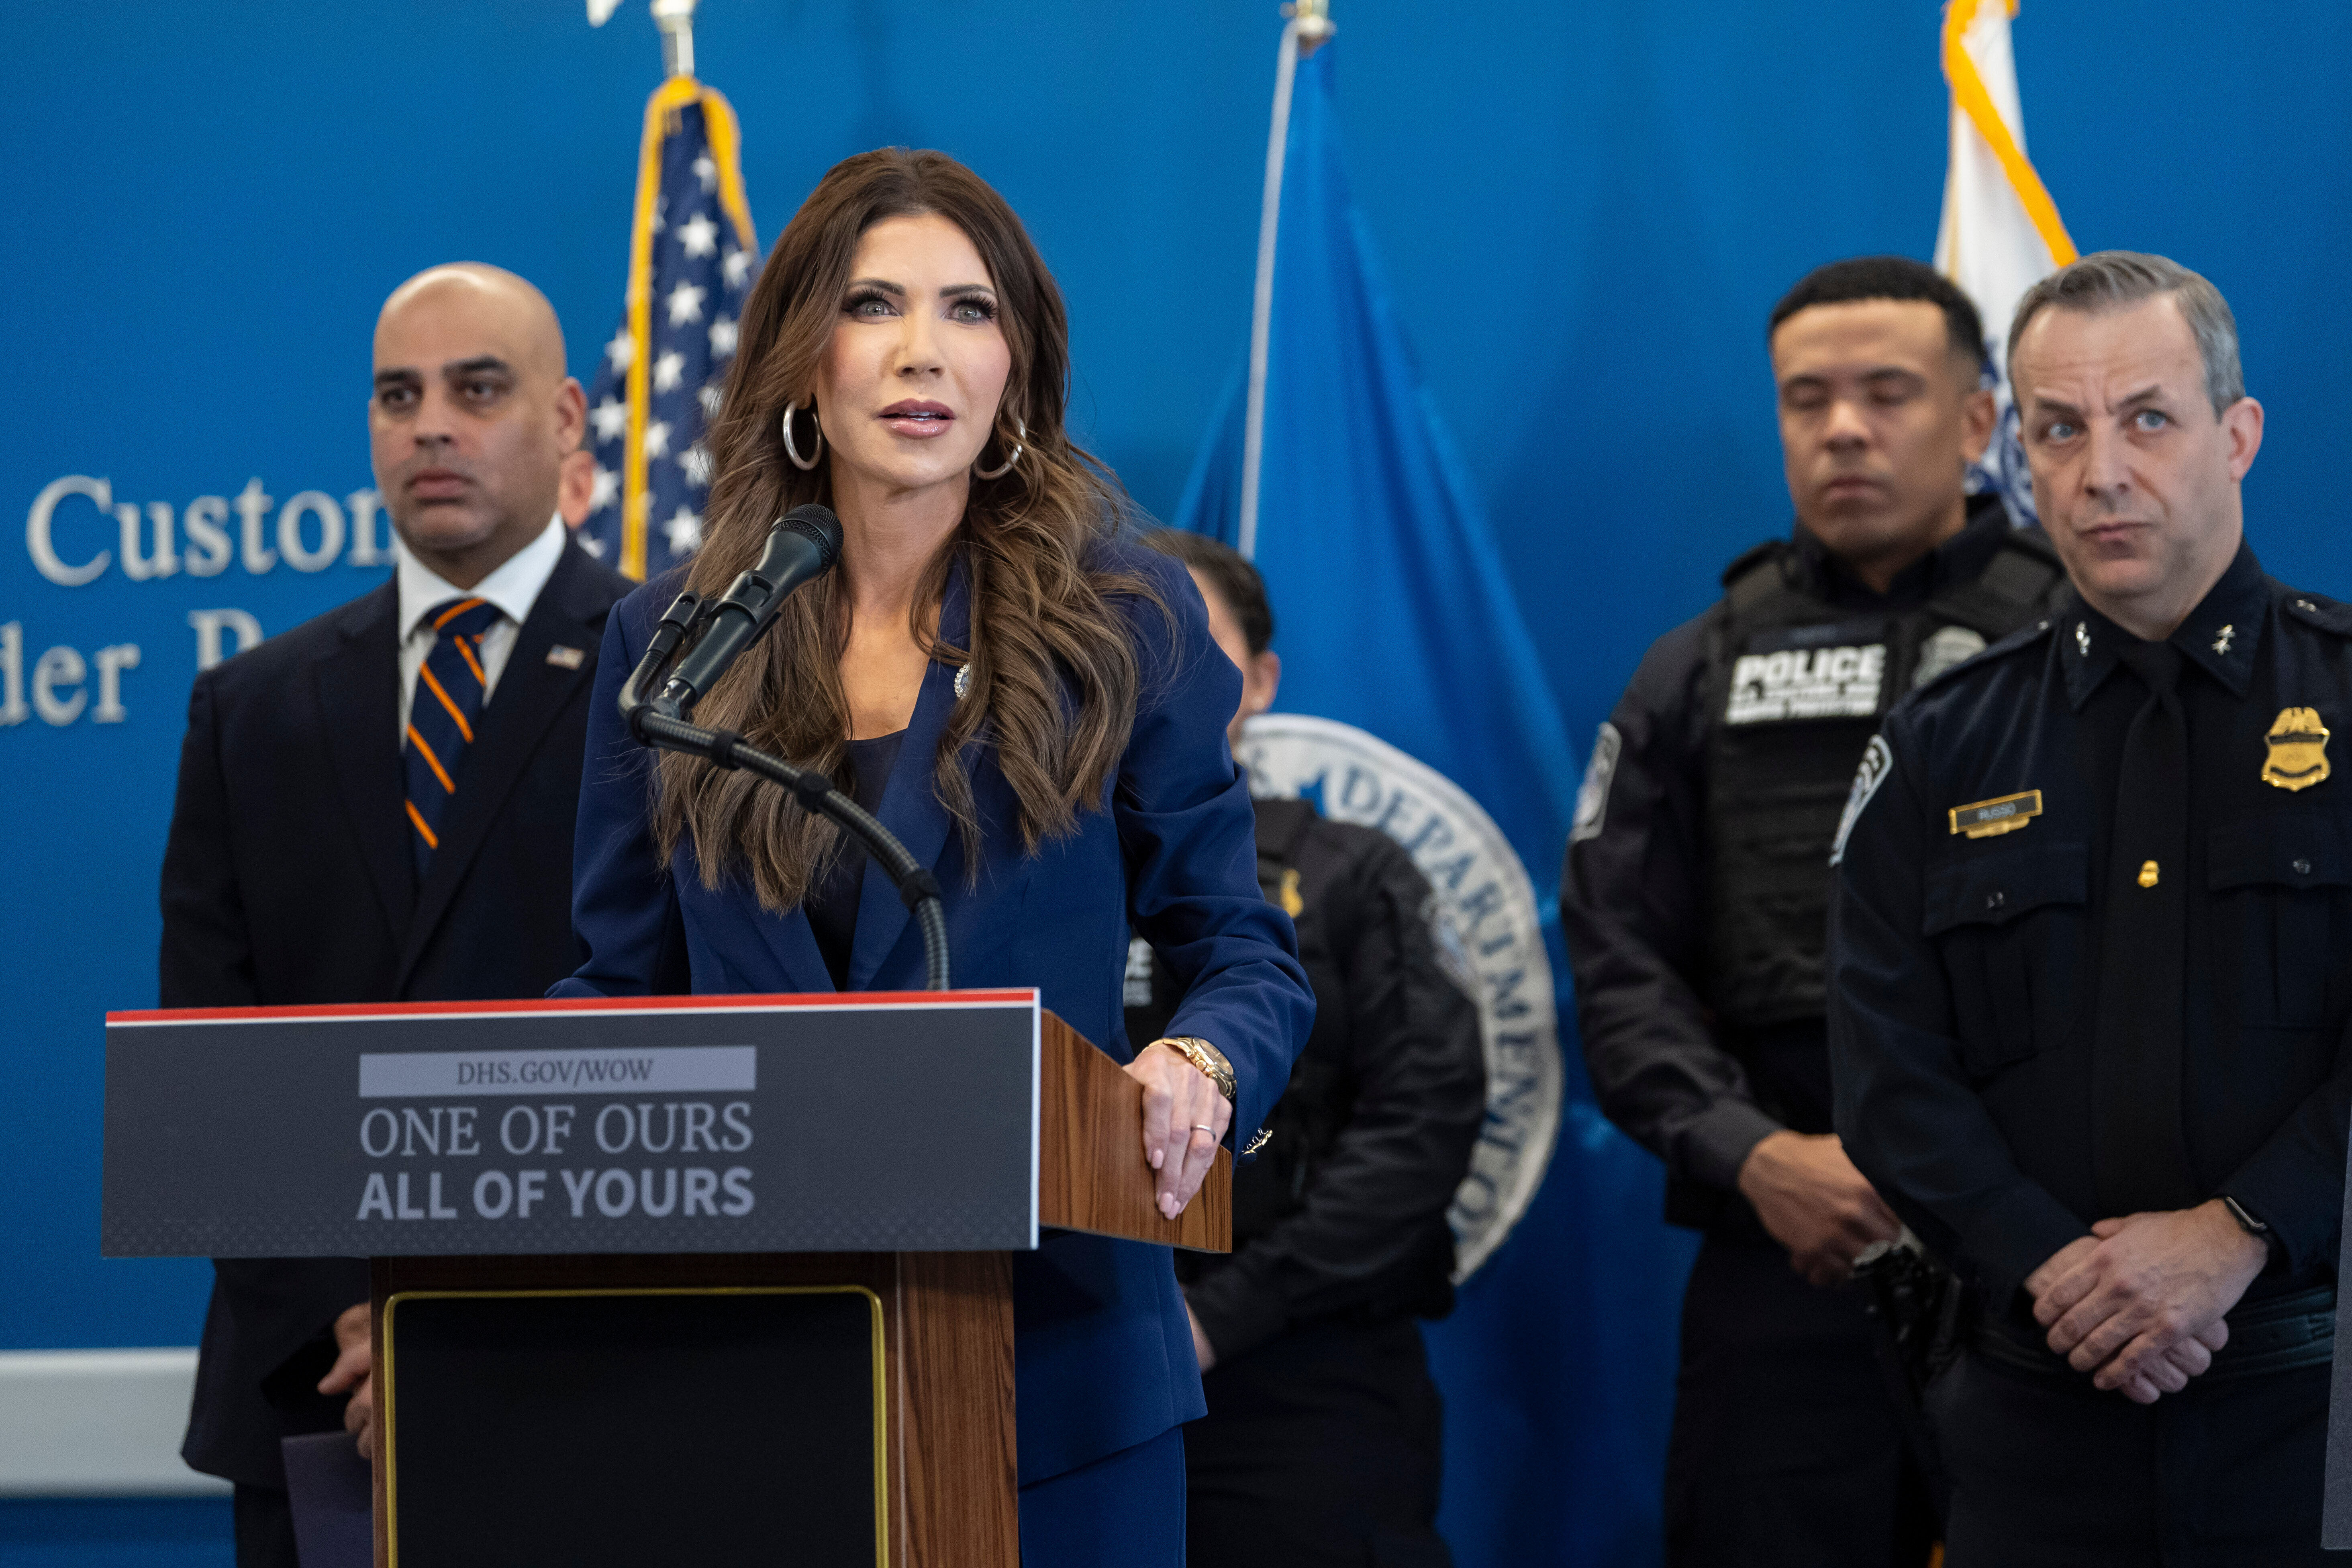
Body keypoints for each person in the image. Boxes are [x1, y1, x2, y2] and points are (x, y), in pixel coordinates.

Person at [553, 148, 1314, 1566]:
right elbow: (622, 983)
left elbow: (1240, 950)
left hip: (1059, 1360)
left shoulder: (1127, 620)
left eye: (969, 310)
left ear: (1015, 369)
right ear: (803, 357)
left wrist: (1202, 1062)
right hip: (757, 1356)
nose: (922, 351)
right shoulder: (675, 638)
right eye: (873, 305)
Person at [1827, 251, 2344, 1564]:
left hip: (2320, 1408)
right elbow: (1887, 1073)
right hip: (2036, 1419)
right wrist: (2055, 1268)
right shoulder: (1942, 743)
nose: (2102, 471)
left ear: (2239, 436)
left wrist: (2242, 1232)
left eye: (2148, 419)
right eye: (2060, 429)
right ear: (2020, 453)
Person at [1562, 256, 2067, 1564]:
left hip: (2052, 1258)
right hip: (1785, 1250)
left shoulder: (2082, 643)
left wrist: (1980, 1195)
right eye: (1808, 399)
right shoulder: (1696, 670)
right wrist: (1753, 1155)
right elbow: (1619, 961)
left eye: (1887, 394)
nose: (1844, 428)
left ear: (1978, 419)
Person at [158, 263, 631, 1565]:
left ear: (567, 419)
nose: (431, 427)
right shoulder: (251, 709)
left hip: (600, 1369)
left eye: (476, 390)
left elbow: (702, 1039)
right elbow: (215, 1073)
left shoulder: (672, 675)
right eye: (398, 396)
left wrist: (469, 1317)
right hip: (314, 1390)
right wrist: (362, 1320)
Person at [1127, 529, 1485, 1568]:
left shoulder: (1354, 876)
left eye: (1196, 644)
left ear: (1261, 681)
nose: (1159, 675)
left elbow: (1421, 1131)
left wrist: (1219, 1321)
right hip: (1071, 1361)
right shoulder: (1023, 875)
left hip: (1303, 1372)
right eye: (1128, 643)